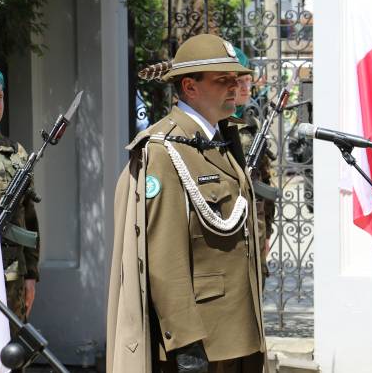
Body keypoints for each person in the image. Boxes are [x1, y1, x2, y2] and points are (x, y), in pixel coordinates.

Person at [107, 34, 267, 373]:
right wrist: (186, 344)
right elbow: (165, 259)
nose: (233, 86)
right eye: (222, 79)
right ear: (190, 87)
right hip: (203, 340)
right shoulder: (165, 150)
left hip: (237, 330)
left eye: (235, 78)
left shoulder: (219, 140)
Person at [0, 64, 40, 334]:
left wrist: (31, 276)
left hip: (12, 278)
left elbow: (28, 221)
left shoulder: (15, 153)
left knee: (12, 352)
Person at [231, 47, 276, 288]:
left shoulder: (252, 123)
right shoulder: (214, 126)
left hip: (255, 225)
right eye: (240, 82)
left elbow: (265, 183)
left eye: (249, 81)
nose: (246, 88)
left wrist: (266, 232)